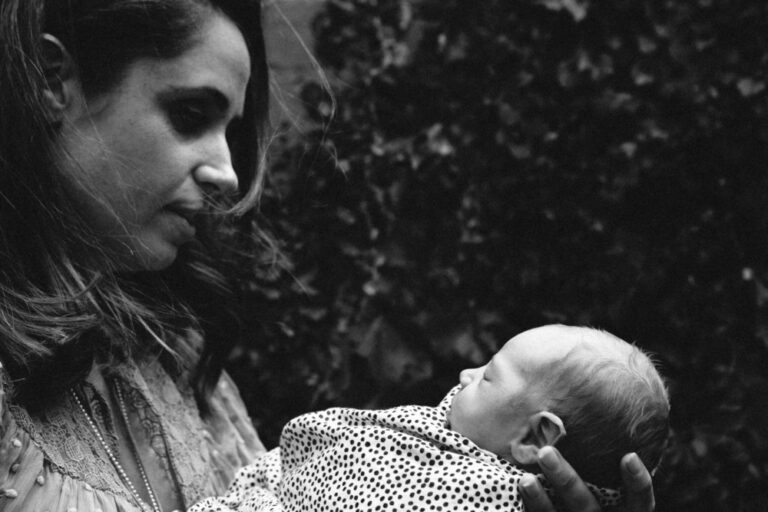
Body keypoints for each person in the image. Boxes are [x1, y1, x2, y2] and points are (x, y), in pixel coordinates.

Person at [0, 1, 657, 511]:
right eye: (189, 112)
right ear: (55, 80)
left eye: (230, 128)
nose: (227, 171)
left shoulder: (165, 343)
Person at [189, 324, 668, 512]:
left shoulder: (483, 497)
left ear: (536, 437)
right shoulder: (464, 432)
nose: (465, 374)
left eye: (489, 377)